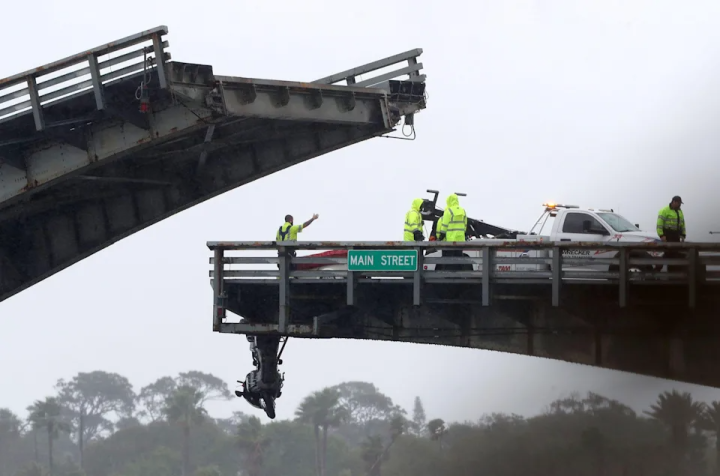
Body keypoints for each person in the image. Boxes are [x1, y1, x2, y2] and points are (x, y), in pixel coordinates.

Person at [656, 196, 686, 273]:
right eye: (678, 203)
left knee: (675, 254)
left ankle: (673, 274)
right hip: (668, 235)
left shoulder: (680, 211)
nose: (679, 205)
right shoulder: (664, 210)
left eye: (680, 203)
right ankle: (656, 271)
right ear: (674, 202)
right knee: (667, 254)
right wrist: (661, 235)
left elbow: (682, 224)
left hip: (676, 236)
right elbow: (659, 225)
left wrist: (683, 235)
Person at [437, 194, 468, 266]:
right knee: (459, 261)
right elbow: (465, 225)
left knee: (448, 262)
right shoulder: (463, 211)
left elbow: (444, 225)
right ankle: (458, 276)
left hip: (450, 240)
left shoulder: (448, 211)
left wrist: (441, 237)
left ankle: (449, 276)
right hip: (460, 240)